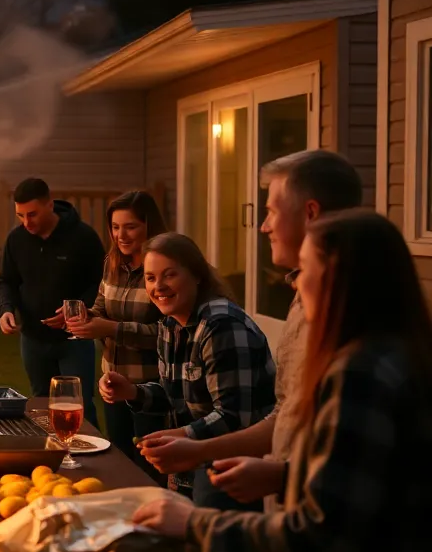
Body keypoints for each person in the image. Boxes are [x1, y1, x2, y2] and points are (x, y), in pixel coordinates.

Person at [133, 210, 432, 552]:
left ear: (339, 279)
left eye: (303, 270)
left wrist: (193, 523)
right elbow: (369, 492)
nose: (293, 286)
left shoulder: (358, 375)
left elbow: (319, 539)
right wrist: (283, 474)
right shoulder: (392, 356)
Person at [137, 151, 362, 507]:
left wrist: (198, 450)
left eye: (271, 211)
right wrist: (279, 475)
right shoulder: (304, 297)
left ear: (311, 214)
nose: (262, 226)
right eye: (151, 277)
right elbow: (287, 413)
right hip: (281, 501)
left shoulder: (353, 318)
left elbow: (357, 474)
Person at [99, 232, 276, 509]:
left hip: (236, 471)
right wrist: (132, 391)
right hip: (194, 467)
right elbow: (175, 394)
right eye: (150, 278)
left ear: (196, 275)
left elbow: (233, 417)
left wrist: (182, 437)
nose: (159, 287)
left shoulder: (221, 326)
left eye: (169, 275)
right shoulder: (170, 324)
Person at [66, 190, 167, 469]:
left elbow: (167, 334)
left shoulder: (162, 271)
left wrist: (109, 327)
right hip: (111, 383)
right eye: (115, 227)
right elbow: (101, 307)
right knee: (120, 460)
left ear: (150, 226)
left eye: (130, 226)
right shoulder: (112, 264)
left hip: (152, 387)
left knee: (151, 466)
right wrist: (86, 318)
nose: (121, 235)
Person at [0, 178, 105, 427]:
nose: (27, 222)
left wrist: (78, 309)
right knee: (42, 407)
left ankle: (89, 460)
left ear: (50, 205)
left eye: (32, 214)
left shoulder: (82, 237)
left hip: (74, 338)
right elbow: (7, 281)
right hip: (33, 338)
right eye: (20, 215)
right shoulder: (17, 240)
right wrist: (5, 310)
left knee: (79, 407)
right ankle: (50, 460)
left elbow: (100, 282)